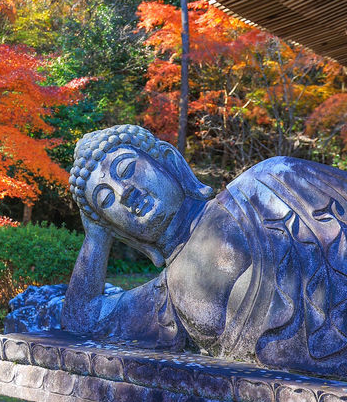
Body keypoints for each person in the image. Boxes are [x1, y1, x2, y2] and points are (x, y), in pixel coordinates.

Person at [62, 124, 347, 377]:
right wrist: (97, 236)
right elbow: (81, 319)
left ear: (169, 162)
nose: (124, 192)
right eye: (106, 199)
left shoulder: (271, 182)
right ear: (120, 232)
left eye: (126, 170)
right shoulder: (168, 298)